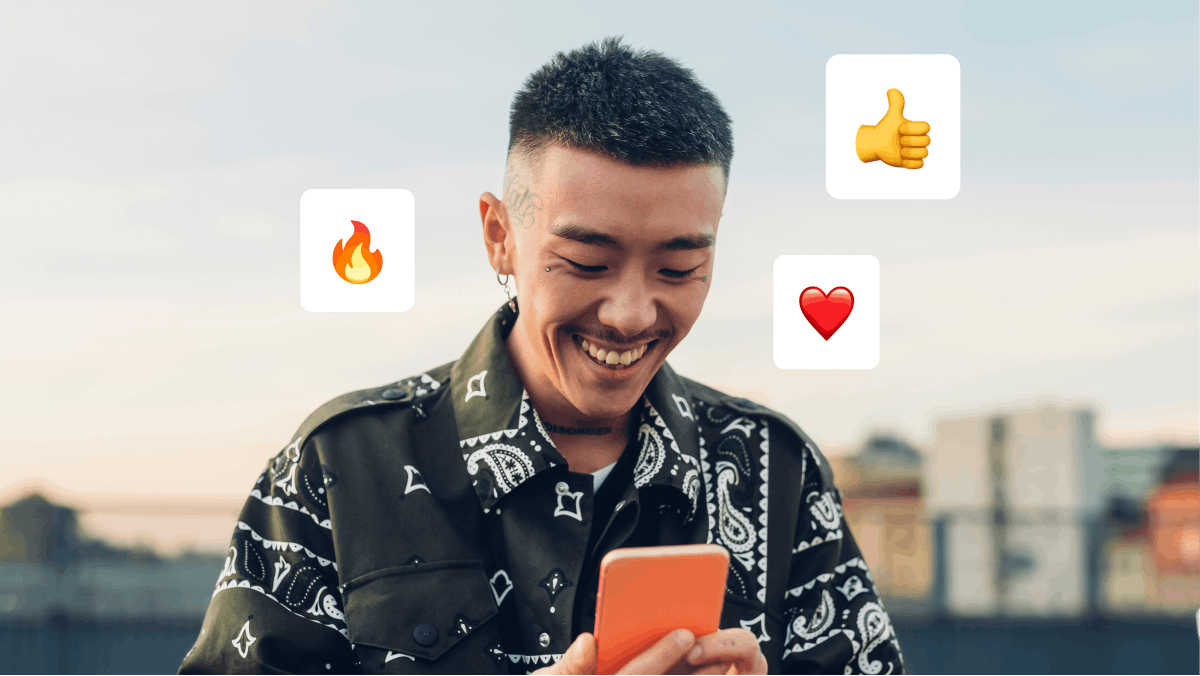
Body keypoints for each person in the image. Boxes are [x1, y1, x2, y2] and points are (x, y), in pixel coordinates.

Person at [179, 37, 905, 675]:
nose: (631, 314)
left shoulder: (776, 472)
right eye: (587, 262)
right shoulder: (339, 466)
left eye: (678, 270)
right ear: (500, 236)